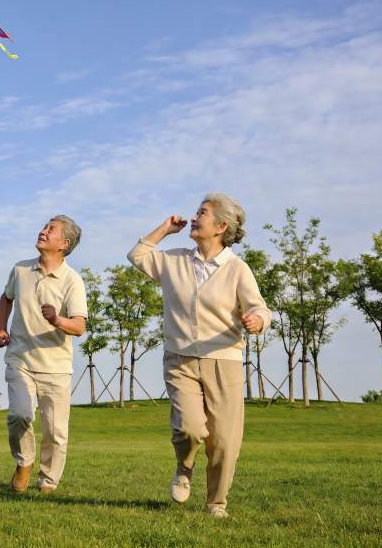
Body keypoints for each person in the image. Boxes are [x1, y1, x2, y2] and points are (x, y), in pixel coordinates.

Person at [127, 192, 271, 518]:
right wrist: (164, 230)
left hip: (224, 361)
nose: (194, 217)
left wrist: (257, 320)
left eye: (202, 213)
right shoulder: (174, 260)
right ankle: (184, 465)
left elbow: (260, 308)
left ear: (221, 226)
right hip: (180, 359)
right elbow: (137, 255)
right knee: (189, 428)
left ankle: (216, 503)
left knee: (224, 441)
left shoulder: (237, 269)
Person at [0, 215, 87, 493]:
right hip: (19, 358)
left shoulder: (72, 280)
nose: (43, 231)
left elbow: (79, 326)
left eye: (51, 229)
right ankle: (24, 462)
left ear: (64, 243)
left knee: (55, 431)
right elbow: (6, 297)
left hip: (55, 366)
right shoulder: (21, 269)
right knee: (19, 415)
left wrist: (57, 319)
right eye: (45, 227)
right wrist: (1, 328)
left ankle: (48, 480)